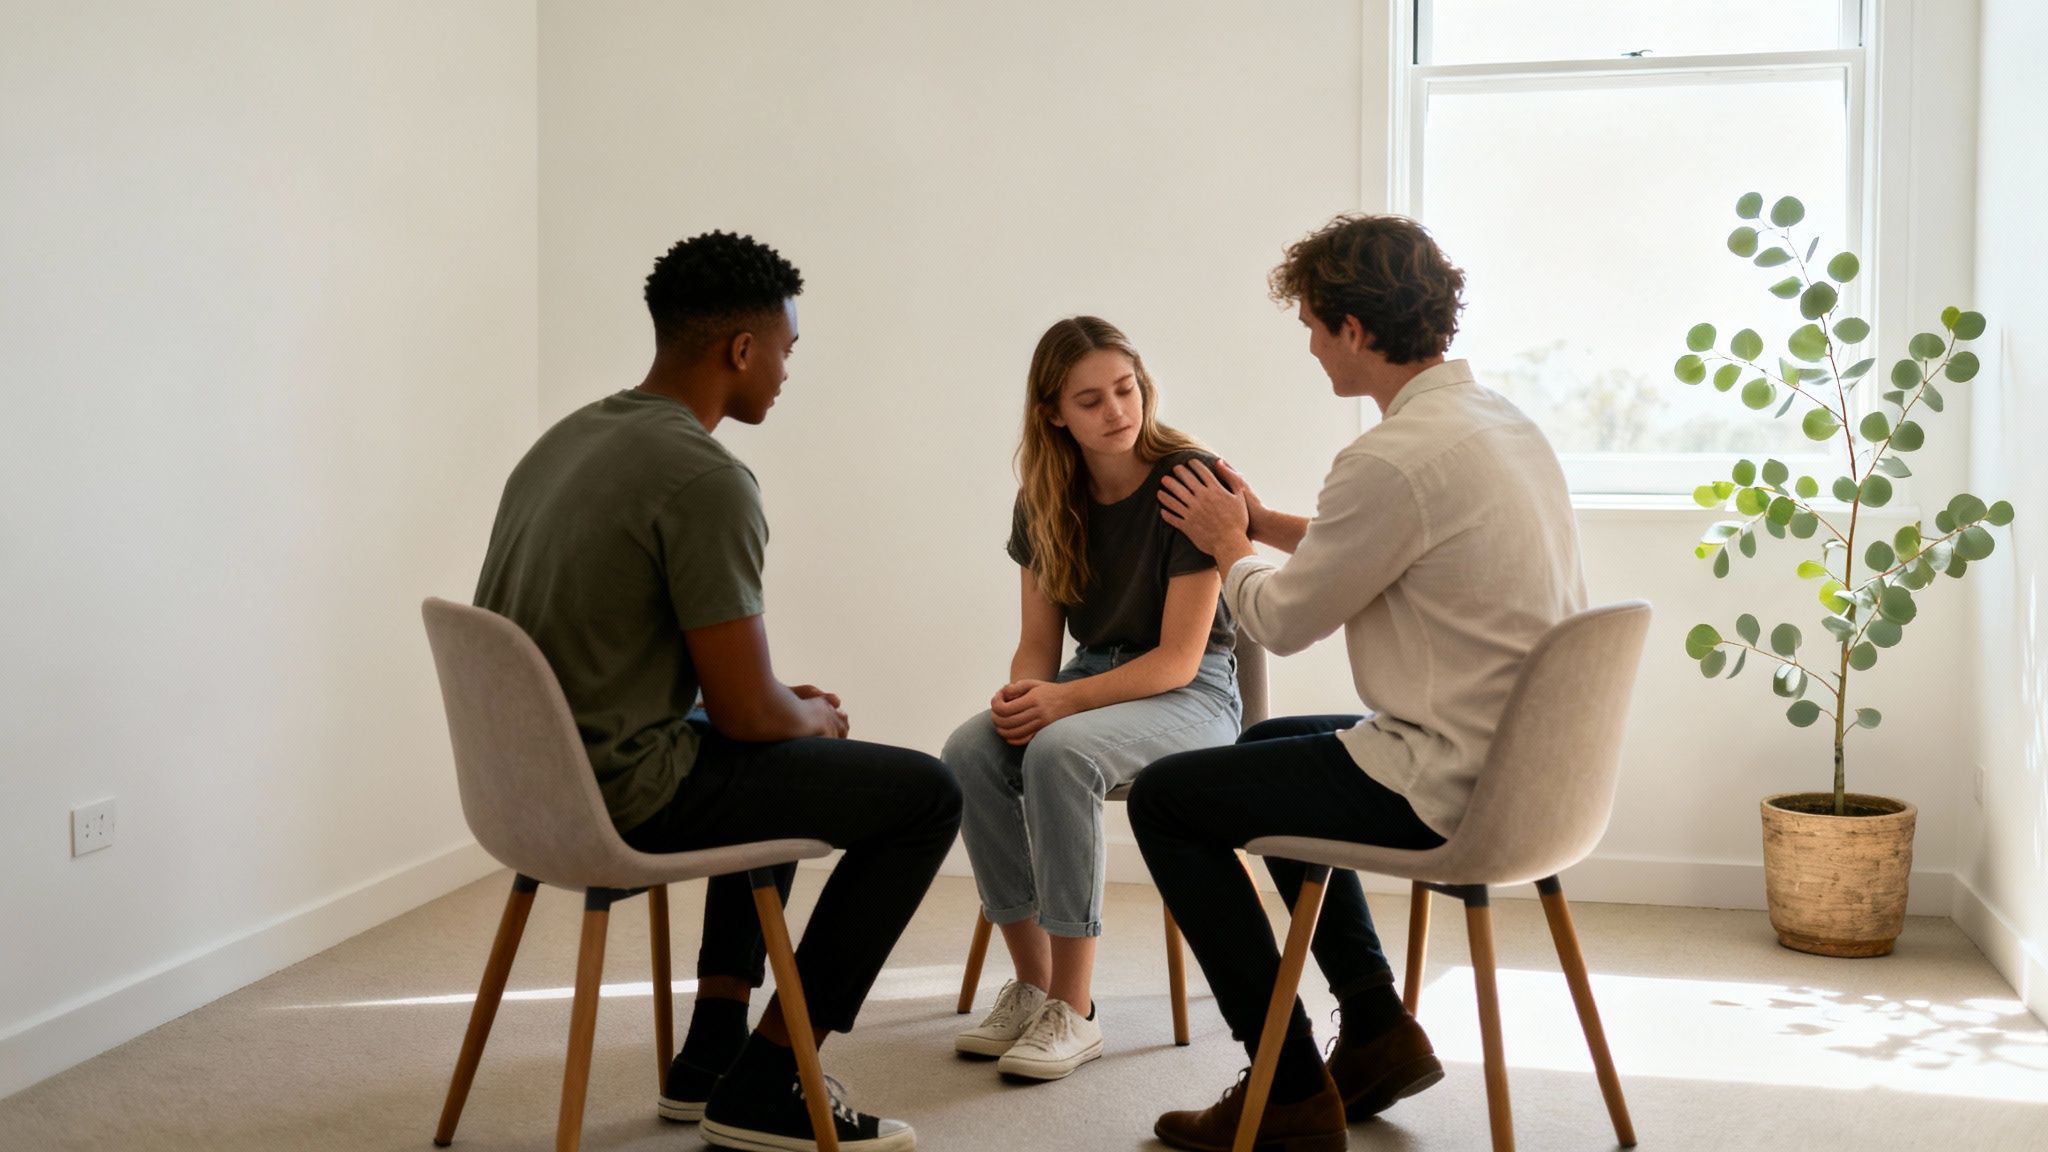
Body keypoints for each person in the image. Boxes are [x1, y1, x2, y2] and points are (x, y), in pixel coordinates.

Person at [473, 230, 960, 1152]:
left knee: (771, 744)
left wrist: (777, 708)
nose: (785, 371)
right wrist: (806, 713)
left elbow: (703, 690)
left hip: (528, 786)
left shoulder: (567, 438)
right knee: (925, 795)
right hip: (620, 796)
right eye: (785, 350)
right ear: (741, 348)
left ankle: (710, 1050)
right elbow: (745, 713)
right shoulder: (708, 477)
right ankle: (770, 1083)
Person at [1132, 214, 1587, 1151]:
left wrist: (1226, 544)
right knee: (1265, 749)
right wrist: (1260, 522)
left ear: (1354, 329)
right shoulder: (1500, 424)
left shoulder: (1386, 459)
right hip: (1537, 768)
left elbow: (1284, 623)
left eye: (1312, 323)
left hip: (1454, 784)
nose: (1307, 343)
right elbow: (1375, 550)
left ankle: (1287, 1088)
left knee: (1171, 802)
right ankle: (1378, 1030)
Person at [942, 316, 1242, 1082]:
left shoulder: (1192, 479)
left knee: (1061, 749)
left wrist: (1062, 708)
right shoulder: (1044, 495)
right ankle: (1034, 983)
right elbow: (1040, 650)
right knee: (970, 750)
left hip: (1193, 691)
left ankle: (1075, 1009)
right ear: (1054, 414)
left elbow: (1178, 660)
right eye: (1091, 400)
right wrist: (1023, 694)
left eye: (1126, 388)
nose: (1118, 411)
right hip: (1093, 677)